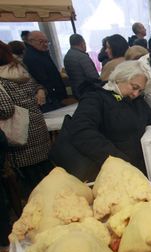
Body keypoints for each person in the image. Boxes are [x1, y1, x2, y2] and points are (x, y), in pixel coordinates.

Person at [49, 61, 151, 181]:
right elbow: (82, 132)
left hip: (135, 170)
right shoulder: (95, 98)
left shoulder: (136, 101)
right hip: (106, 172)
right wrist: (117, 160)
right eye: (134, 87)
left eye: (140, 91)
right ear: (119, 78)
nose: (136, 94)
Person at [0, 40, 52, 196]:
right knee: (46, 171)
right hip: (37, 125)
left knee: (33, 183)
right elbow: (38, 87)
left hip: (20, 134)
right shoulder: (19, 69)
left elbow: (6, 108)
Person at [23, 31, 67, 112]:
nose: (45, 44)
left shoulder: (42, 53)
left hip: (52, 95)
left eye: (47, 41)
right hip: (47, 98)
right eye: (41, 41)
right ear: (31, 41)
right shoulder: (31, 57)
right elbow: (41, 79)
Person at [63, 34, 100, 99]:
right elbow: (93, 76)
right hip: (88, 91)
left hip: (76, 91)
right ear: (82, 43)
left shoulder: (67, 56)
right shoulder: (82, 57)